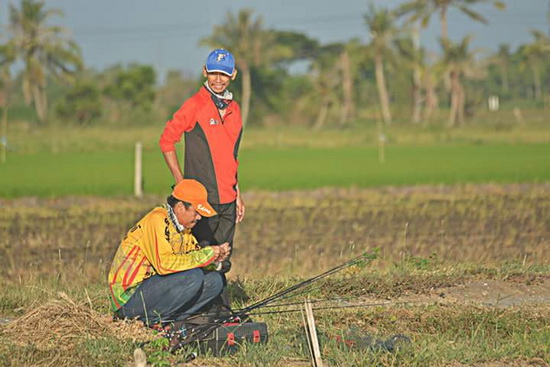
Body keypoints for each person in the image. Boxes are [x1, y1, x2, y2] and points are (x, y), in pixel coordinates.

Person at [159, 48, 245, 278]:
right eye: (214, 73)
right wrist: (180, 181)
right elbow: (167, 140)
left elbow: (232, 156)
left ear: (233, 75)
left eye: (224, 74)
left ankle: (221, 312)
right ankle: (202, 311)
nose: (218, 79)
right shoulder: (194, 104)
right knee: (203, 259)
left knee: (223, 260)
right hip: (202, 202)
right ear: (204, 72)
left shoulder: (235, 110)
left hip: (228, 200)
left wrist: (238, 193)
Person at [108, 179, 231, 326]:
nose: (199, 217)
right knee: (193, 277)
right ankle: (151, 321)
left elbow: (192, 259)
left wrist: (215, 261)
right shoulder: (157, 220)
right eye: (197, 212)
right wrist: (206, 255)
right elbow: (164, 265)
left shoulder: (184, 230)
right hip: (129, 299)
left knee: (215, 281)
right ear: (180, 207)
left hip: (153, 289)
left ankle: (171, 321)